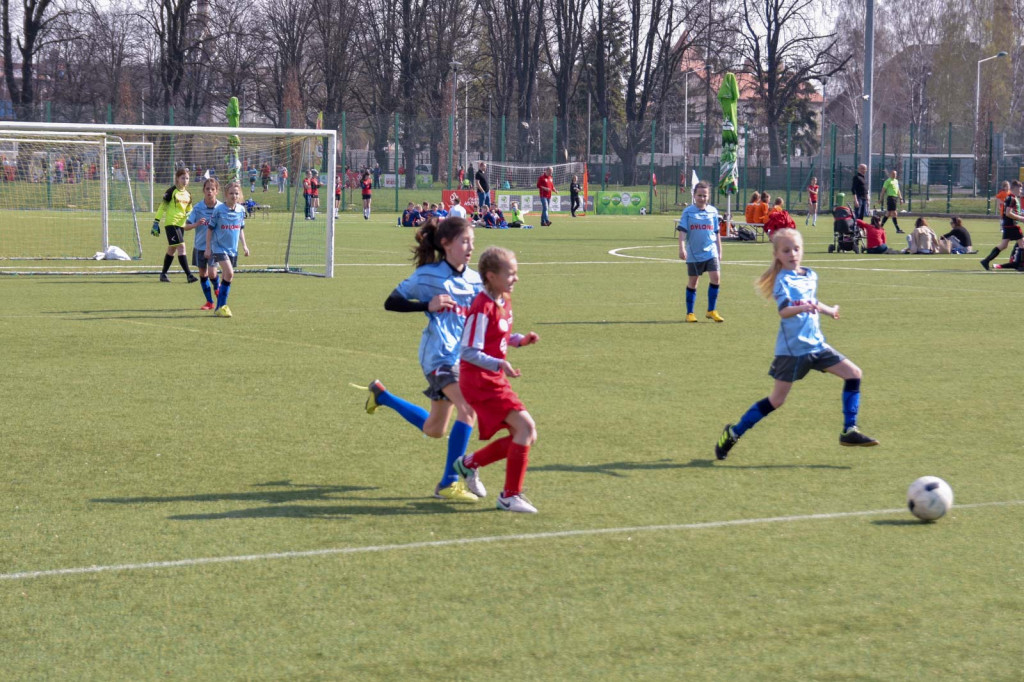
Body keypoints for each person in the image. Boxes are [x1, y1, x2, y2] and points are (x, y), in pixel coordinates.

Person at [714, 228, 878, 460]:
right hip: (792, 352)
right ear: (777, 254)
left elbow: (813, 301)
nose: (793, 254)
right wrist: (803, 308)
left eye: (796, 249)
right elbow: (785, 311)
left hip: (817, 346)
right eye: (786, 250)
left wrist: (829, 311)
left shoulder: (810, 275)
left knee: (854, 374)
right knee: (776, 400)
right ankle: (733, 432)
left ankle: (849, 430)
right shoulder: (782, 281)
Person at [360, 217, 484, 502]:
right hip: (438, 357)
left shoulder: (475, 280)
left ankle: (382, 396)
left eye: (472, 243)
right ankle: (449, 482)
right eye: (464, 241)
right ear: (445, 244)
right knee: (468, 410)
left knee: (435, 429)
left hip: (461, 359)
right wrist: (426, 305)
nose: (470, 248)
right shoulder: (428, 276)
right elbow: (391, 301)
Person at [453, 246, 540, 513]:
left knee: (525, 434)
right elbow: (468, 351)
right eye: (510, 274)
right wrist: (499, 363)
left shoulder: (504, 300)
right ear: (491, 276)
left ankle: (468, 465)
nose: (516, 279)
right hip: (479, 379)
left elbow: (499, 337)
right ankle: (509, 496)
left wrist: (520, 341)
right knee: (525, 428)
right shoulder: (482, 307)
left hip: (491, 376)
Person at [677, 181, 724, 323]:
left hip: (711, 251)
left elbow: (716, 233)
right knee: (693, 281)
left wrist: (719, 250)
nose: (702, 198)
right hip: (694, 253)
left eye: (704, 195)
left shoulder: (713, 212)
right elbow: (682, 231)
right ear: (694, 196)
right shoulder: (688, 212)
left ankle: (711, 310)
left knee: (716, 278)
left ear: (708, 197)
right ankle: (690, 313)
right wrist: (681, 247)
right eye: (699, 195)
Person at [203, 181, 250, 318]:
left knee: (226, 276)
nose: (234, 196)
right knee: (229, 273)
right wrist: (207, 248)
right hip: (218, 248)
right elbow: (210, 230)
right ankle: (223, 306)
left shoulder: (241, 210)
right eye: (231, 193)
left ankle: (219, 307)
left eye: (236, 193)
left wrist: (245, 246)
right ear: (225, 194)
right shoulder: (219, 210)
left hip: (232, 249)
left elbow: (240, 229)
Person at [152, 167, 198, 284]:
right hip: (171, 224)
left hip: (180, 225)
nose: (185, 180)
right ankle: (189, 275)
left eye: (187, 178)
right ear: (177, 178)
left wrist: (189, 214)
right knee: (181, 247)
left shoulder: (188, 194)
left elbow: (190, 209)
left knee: (172, 249)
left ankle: (163, 274)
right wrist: (156, 222)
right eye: (183, 178)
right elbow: (162, 207)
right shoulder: (171, 191)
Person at [184, 177, 223, 311]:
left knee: (212, 273)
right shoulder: (198, 207)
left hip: (215, 247)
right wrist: (196, 224)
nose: (210, 192)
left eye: (213, 189)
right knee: (203, 274)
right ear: (203, 190)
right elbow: (186, 226)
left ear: (217, 191)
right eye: (207, 189)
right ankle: (209, 302)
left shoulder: (221, 207)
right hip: (200, 246)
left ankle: (219, 294)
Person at [980, 180, 1024, 270]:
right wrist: (1020, 218)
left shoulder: (1011, 198)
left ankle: (986, 261)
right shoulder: (1012, 198)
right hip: (1012, 225)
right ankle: (1020, 265)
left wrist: (1020, 216)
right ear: (1014, 189)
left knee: (1003, 245)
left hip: (1008, 225)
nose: (1021, 191)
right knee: (1022, 244)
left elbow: (1010, 212)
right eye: (1019, 189)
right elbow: (1008, 213)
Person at [879, 169, 904, 233]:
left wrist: (901, 198)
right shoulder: (888, 181)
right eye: (893, 174)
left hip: (895, 198)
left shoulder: (896, 181)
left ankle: (880, 226)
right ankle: (898, 229)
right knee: (894, 213)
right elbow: (883, 190)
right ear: (890, 174)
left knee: (888, 213)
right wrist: (880, 199)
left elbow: (898, 190)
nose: (894, 175)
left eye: (895, 174)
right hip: (891, 198)